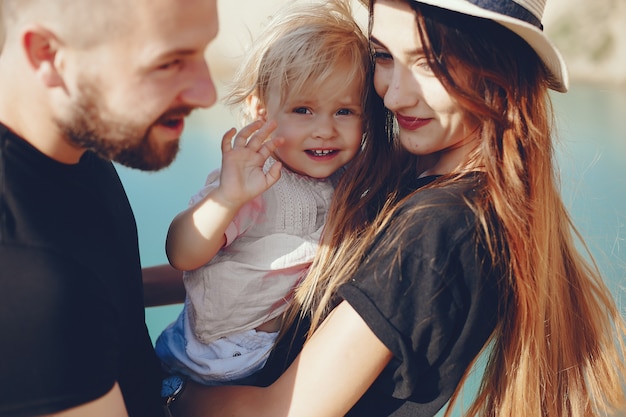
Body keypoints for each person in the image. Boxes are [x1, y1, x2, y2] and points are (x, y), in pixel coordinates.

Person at [169, 0, 626, 416]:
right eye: (384, 56)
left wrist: (169, 392)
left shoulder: (442, 228)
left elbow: (282, 412)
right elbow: (264, 267)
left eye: (429, 63)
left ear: (496, 69)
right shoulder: (405, 182)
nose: (392, 95)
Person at [0, 0, 219, 415]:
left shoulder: (73, 141)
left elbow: (102, 290)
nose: (207, 93)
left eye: (203, 50)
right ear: (48, 54)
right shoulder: (25, 275)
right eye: (169, 63)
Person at [154, 0, 369, 390]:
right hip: (213, 360)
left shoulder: (348, 180)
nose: (324, 129)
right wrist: (226, 198)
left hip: (271, 357)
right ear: (258, 109)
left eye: (344, 111)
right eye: (303, 110)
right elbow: (183, 253)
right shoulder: (255, 181)